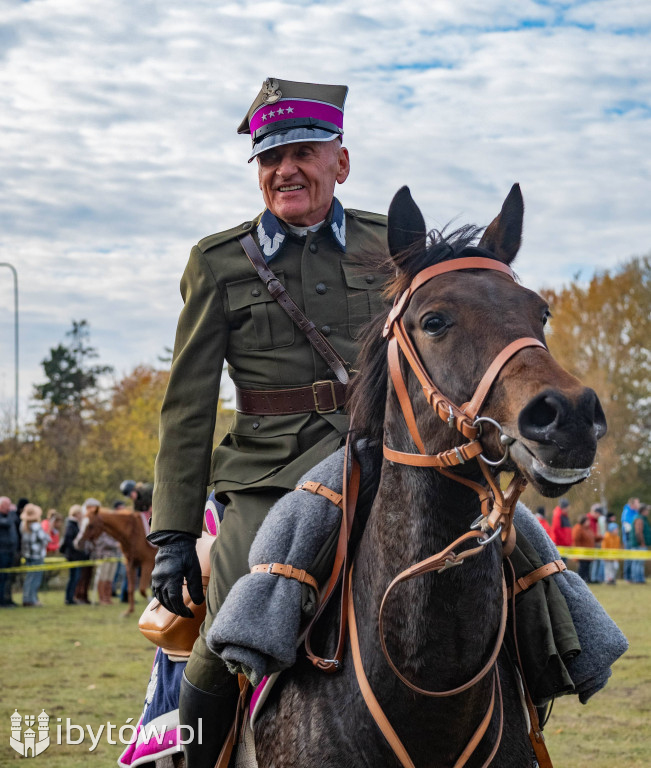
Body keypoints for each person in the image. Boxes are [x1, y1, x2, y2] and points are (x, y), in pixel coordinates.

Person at [148, 77, 388, 767]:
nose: (284, 169)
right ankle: (198, 756)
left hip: (380, 454)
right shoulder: (219, 261)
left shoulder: (390, 244)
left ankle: (525, 724)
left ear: (339, 162)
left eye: (303, 151)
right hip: (266, 475)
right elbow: (187, 405)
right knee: (233, 623)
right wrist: (173, 534)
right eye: (268, 157)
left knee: (517, 566)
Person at [20, 503, 50, 606]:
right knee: (35, 579)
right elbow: (45, 539)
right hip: (37, 556)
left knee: (29, 578)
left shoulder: (23, 525)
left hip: (27, 555)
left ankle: (27, 598)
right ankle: (31, 600)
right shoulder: (37, 526)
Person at [60, 504, 86, 604]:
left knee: (75, 577)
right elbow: (68, 539)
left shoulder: (73, 524)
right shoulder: (71, 525)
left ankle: (70, 597)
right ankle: (69, 598)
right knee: (74, 577)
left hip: (75, 555)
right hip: (73, 555)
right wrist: (76, 548)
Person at [0, 496, 19, 607]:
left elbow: (15, 520)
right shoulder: (5, 518)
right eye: (8, 505)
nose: (10, 507)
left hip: (10, 551)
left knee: (8, 578)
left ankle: (7, 599)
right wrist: (12, 512)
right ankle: (1, 601)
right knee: (2, 578)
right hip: (2, 552)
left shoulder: (9, 516)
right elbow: (7, 523)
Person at [626, 502, 650, 584]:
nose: (648, 512)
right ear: (643, 511)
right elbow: (638, 532)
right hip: (639, 545)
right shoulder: (639, 519)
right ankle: (638, 579)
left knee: (636, 562)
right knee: (639, 562)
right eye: (647, 510)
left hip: (636, 544)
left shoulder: (638, 518)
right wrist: (642, 543)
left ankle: (637, 578)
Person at [571, 514, 595, 582]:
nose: (589, 522)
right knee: (582, 567)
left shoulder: (588, 529)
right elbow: (576, 539)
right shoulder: (578, 529)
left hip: (588, 552)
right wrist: (578, 551)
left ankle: (587, 579)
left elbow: (593, 537)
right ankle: (579, 579)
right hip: (582, 552)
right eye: (587, 521)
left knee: (587, 567)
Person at [621, 497, 640, 582]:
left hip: (634, 539)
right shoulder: (627, 512)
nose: (639, 504)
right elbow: (627, 526)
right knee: (628, 558)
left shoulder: (635, 511)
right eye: (637, 503)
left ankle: (633, 576)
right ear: (632, 504)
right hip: (629, 538)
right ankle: (627, 577)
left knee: (634, 558)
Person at [587, 503, 606, 583]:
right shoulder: (589, 520)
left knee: (595, 562)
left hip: (595, 542)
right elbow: (590, 533)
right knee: (591, 562)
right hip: (590, 544)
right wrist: (600, 537)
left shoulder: (595, 520)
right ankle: (591, 578)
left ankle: (594, 578)